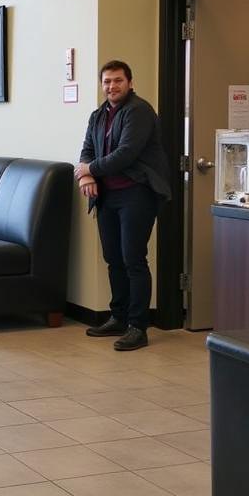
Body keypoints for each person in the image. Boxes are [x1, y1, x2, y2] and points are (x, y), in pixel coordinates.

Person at [75, 60, 171, 351]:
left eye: (117, 81)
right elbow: (87, 148)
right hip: (108, 196)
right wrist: (86, 176)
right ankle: (118, 316)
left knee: (133, 260)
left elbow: (125, 154)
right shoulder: (98, 114)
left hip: (136, 195)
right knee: (113, 259)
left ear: (129, 82)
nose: (112, 86)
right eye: (107, 81)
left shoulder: (139, 111)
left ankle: (137, 326)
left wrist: (89, 168)